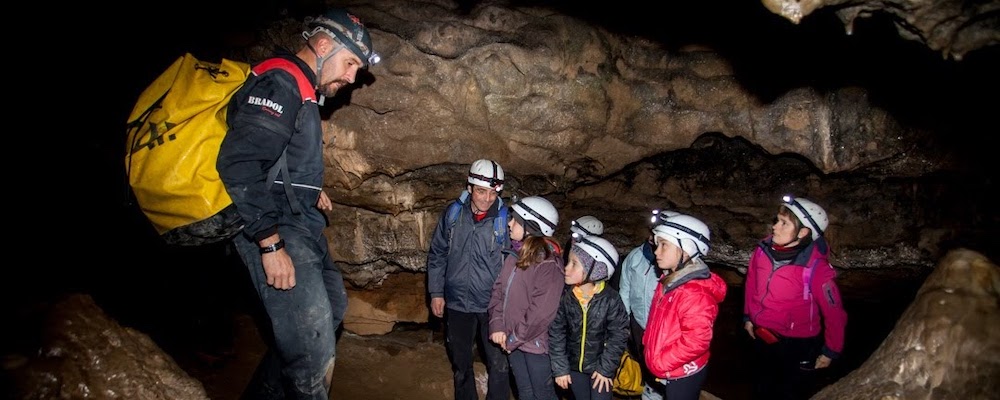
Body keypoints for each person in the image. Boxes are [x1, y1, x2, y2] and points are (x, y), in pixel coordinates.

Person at [215, 8, 380, 400]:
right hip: (277, 228)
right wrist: (269, 244)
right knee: (311, 351)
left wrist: (308, 187)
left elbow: (278, 156)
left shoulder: (302, 90)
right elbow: (238, 162)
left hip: (299, 221)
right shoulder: (281, 83)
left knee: (333, 307)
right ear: (323, 45)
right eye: (350, 62)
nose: (352, 77)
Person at [742, 195, 848, 400]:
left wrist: (830, 351)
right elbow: (751, 283)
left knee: (789, 392)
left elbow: (834, 312)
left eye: (784, 223)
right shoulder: (762, 249)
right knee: (762, 387)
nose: (775, 227)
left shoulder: (816, 268)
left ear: (803, 232)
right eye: (777, 220)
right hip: (763, 335)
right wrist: (748, 316)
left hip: (797, 344)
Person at [426, 159, 512, 400]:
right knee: (461, 363)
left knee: (499, 366)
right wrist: (436, 293)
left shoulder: (506, 221)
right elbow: (438, 254)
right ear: (470, 187)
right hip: (456, 303)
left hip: (492, 305)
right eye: (481, 191)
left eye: (493, 193)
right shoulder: (453, 215)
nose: (486, 198)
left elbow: (516, 266)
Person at [644, 213, 727, 400]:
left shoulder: (694, 293)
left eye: (664, 245)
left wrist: (660, 361)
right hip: (669, 370)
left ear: (687, 249)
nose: (657, 251)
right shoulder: (669, 281)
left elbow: (697, 340)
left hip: (680, 374)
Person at [488, 196, 564, 400]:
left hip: (536, 345)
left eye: (515, 219)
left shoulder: (549, 265)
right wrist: (497, 326)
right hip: (513, 340)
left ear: (531, 226)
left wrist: (513, 338)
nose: (510, 223)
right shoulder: (514, 256)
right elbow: (498, 292)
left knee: (543, 394)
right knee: (525, 393)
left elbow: (540, 313)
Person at [549, 235, 629, 400]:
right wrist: (560, 368)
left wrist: (605, 369)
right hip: (574, 368)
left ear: (596, 269)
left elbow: (618, 336)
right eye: (568, 262)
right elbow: (556, 333)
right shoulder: (566, 297)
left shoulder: (611, 300)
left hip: (600, 370)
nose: (566, 268)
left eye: (574, 264)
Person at [617, 209, 678, 400]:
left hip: (663, 330)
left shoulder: (675, 266)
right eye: (653, 232)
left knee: (663, 372)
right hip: (638, 324)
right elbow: (624, 289)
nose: (653, 237)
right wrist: (624, 320)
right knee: (645, 366)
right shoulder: (635, 257)